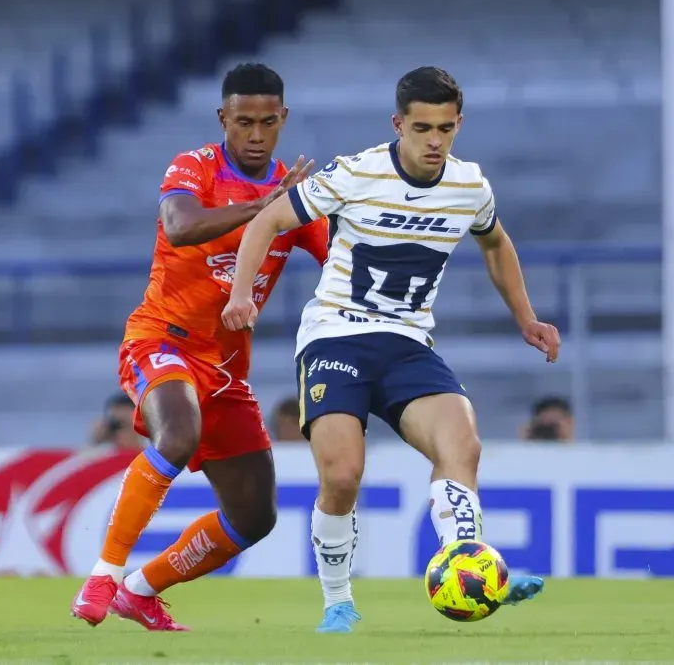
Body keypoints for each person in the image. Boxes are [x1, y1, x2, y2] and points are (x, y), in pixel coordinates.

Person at [223, 66, 560, 633]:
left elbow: (496, 242)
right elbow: (269, 221)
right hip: (337, 335)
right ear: (398, 123)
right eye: (423, 128)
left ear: (458, 126)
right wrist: (240, 295)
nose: (435, 141)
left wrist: (527, 318)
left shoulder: (469, 186)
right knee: (343, 474)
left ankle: (470, 564)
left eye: (446, 129)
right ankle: (337, 601)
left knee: (463, 444)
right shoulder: (355, 174)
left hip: (407, 343)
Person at [71, 63, 328, 631]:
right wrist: (268, 208)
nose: (255, 135)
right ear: (223, 119)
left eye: (267, 123)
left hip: (229, 370)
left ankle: (138, 591)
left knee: (254, 515)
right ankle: (104, 573)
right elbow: (181, 226)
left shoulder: (298, 195)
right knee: (178, 433)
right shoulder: (195, 166)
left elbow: (339, 260)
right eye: (243, 122)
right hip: (160, 339)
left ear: (282, 119)